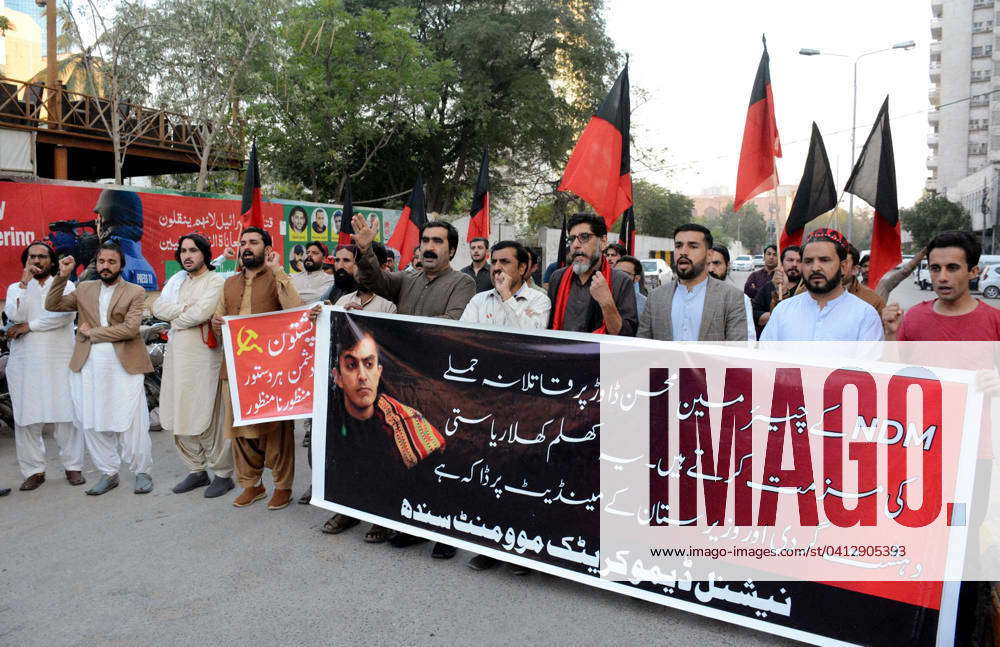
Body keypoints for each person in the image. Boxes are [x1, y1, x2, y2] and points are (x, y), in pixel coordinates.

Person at [881, 230, 1000, 645]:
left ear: (973, 270)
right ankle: (920, 625)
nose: (942, 276)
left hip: (974, 457)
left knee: (963, 544)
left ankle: (965, 629)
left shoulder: (993, 320)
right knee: (919, 539)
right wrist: (892, 335)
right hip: (921, 454)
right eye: (935, 268)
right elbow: (897, 381)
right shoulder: (914, 320)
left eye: (952, 267)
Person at [351, 213, 474, 558]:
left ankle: (447, 533)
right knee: (408, 454)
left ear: (452, 249)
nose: (430, 247)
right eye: (426, 241)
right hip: (402, 383)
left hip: (440, 382)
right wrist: (365, 251)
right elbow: (374, 279)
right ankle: (413, 525)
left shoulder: (461, 284)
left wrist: (400, 328)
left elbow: (452, 323)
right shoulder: (408, 279)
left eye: (438, 242)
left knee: (442, 456)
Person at [46, 242, 155, 495]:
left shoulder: (135, 291)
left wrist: (93, 332)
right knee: (92, 419)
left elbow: (129, 329)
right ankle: (108, 472)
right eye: (102, 261)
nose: (106, 267)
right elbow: (53, 305)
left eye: (112, 262)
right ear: (96, 263)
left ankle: (141, 471)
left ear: (121, 265)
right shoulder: (84, 289)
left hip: (123, 365)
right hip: (89, 365)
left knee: (131, 419)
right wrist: (62, 276)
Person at [211, 227, 303, 510]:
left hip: (271, 368)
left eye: (253, 242)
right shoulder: (229, 284)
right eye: (243, 243)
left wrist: (279, 273)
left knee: (276, 428)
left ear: (268, 248)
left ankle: (282, 486)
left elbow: (295, 310)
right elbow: (217, 317)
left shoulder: (277, 278)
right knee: (240, 429)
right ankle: (252, 484)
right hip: (236, 368)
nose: (246, 247)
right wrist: (217, 323)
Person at [325, 323, 445, 536]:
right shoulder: (334, 408)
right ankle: (348, 510)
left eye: (369, 364)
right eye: (351, 366)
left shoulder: (400, 419)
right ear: (338, 376)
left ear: (379, 371)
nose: (363, 376)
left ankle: (384, 515)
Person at [151, 234, 233, 498]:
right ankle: (196, 469)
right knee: (180, 410)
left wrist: (177, 315)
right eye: (183, 250)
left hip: (203, 357)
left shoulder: (215, 281)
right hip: (176, 356)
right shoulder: (177, 282)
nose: (187, 255)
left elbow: (201, 313)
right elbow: (157, 307)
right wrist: (183, 312)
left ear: (205, 254)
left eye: (193, 251)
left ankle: (222, 474)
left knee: (206, 412)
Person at [5, 242, 85, 491]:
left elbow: (63, 317)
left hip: (58, 359)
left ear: (51, 261)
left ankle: (73, 466)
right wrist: (23, 285)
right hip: (25, 363)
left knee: (67, 415)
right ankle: (34, 471)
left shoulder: (66, 285)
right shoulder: (15, 288)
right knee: (26, 419)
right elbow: (14, 317)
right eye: (32, 257)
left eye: (42, 257)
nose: (36, 261)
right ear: (25, 261)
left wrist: (29, 327)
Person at [759, 229, 882, 342]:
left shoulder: (865, 316)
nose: (815, 268)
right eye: (808, 261)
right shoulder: (782, 311)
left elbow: (868, 365)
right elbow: (766, 360)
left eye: (824, 260)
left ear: (843, 267)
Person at [637, 224, 747, 342]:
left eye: (693, 246)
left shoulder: (731, 298)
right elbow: (643, 346)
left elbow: (736, 350)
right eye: (678, 246)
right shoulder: (655, 297)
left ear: (709, 255)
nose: (683, 252)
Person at [546, 213, 638, 336]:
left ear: (603, 242)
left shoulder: (621, 281)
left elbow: (626, 335)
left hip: (600, 354)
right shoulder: (557, 277)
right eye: (572, 239)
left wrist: (607, 303)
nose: (575, 245)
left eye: (584, 237)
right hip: (560, 353)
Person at [460, 241, 551, 328]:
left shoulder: (539, 300)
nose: (496, 268)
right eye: (494, 262)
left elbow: (531, 337)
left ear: (521, 268)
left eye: (504, 262)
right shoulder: (478, 300)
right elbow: (464, 335)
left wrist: (507, 296)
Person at [706, 244, 756, 341]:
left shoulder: (740, 300)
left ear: (727, 265)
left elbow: (748, 339)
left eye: (717, 263)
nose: (711, 269)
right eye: (707, 263)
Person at [334, 242, 398, 314]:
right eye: (357, 264)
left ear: (383, 267)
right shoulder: (342, 301)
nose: (360, 270)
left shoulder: (389, 307)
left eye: (367, 266)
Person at [752, 245, 802, 335]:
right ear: (781, 263)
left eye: (799, 261)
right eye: (790, 260)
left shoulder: (808, 289)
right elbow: (754, 314)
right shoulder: (768, 287)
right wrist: (774, 316)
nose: (794, 264)